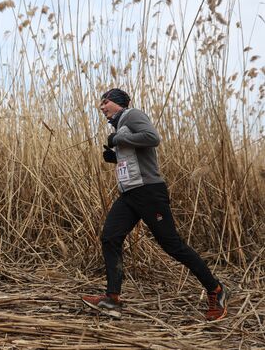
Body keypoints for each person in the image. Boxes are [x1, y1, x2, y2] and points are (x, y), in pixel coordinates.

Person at [82, 88, 227, 320]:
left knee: (172, 245)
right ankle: (112, 299)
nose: (101, 107)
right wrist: (116, 157)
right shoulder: (121, 125)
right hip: (130, 194)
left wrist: (118, 139)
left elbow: (153, 138)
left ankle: (216, 290)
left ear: (120, 103)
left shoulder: (132, 115)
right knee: (110, 237)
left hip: (149, 192)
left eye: (105, 102)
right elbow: (137, 154)